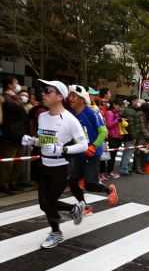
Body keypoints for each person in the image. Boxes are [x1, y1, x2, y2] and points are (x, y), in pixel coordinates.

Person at [21, 80, 88, 249]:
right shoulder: (42, 116)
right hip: (44, 165)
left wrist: (62, 149)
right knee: (44, 204)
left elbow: (83, 145)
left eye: (47, 91)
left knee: (49, 202)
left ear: (59, 96)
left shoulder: (69, 119)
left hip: (61, 167)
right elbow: (46, 141)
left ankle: (56, 233)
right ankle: (73, 210)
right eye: (43, 91)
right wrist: (33, 141)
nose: (43, 94)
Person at [67, 84, 119, 213]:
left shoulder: (91, 112)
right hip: (78, 152)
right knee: (73, 181)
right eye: (70, 96)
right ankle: (84, 205)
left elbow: (103, 132)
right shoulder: (71, 114)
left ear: (81, 99)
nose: (70, 99)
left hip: (92, 152)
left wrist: (93, 146)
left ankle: (109, 190)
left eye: (74, 96)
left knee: (90, 183)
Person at [0, 76, 29, 194]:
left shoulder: (16, 98)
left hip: (20, 134)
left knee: (18, 161)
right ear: (10, 85)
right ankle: (4, 184)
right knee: (8, 163)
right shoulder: (4, 98)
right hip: (9, 135)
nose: (18, 85)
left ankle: (13, 183)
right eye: (16, 82)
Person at [120, 98, 140, 175]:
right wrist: (134, 136)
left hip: (126, 134)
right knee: (128, 152)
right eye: (136, 101)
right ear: (133, 101)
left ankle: (123, 167)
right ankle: (124, 169)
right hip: (130, 135)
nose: (138, 103)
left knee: (126, 151)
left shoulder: (128, 110)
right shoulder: (130, 111)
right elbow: (130, 125)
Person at [104, 100, 124, 178]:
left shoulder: (117, 113)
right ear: (114, 104)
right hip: (113, 136)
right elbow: (109, 125)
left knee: (113, 155)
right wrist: (117, 120)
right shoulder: (109, 113)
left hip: (118, 136)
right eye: (119, 105)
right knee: (111, 156)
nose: (120, 107)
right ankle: (109, 172)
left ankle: (110, 171)